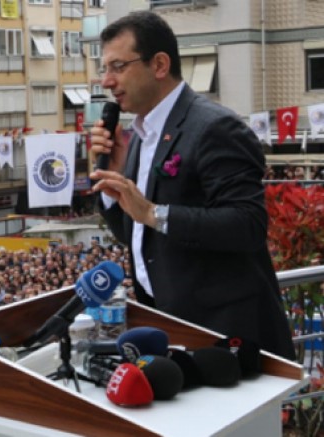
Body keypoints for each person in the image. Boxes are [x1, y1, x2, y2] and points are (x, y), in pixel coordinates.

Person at [88, 11, 294, 359]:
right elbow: (137, 236)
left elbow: (248, 224)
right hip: (172, 327)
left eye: (118, 67)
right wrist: (114, 188)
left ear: (159, 65)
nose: (107, 81)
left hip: (228, 336)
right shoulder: (140, 135)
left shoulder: (215, 127)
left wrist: (153, 212)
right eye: (104, 69)